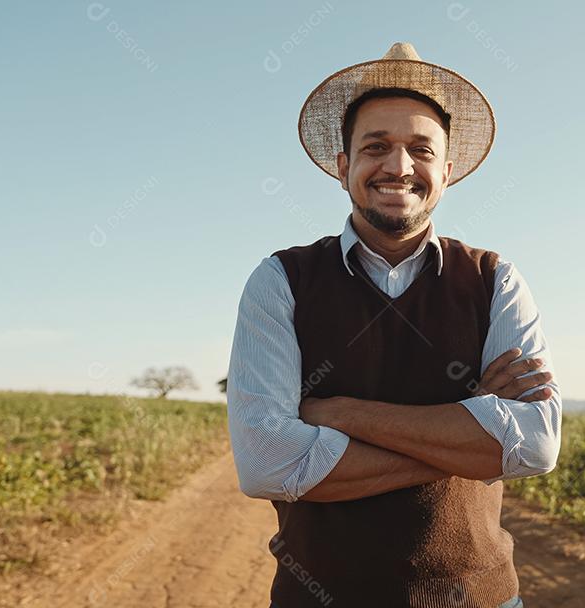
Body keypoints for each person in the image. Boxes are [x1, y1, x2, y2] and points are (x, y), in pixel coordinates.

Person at [227, 42, 562, 608]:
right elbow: (265, 463)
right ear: (344, 168)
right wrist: (468, 433)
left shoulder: (494, 278)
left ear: (447, 171)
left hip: (478, 598)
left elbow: (532, 446)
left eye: (420, 149)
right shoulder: (281, 279)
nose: (398, 166)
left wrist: (339, 415)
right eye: (376, 146)